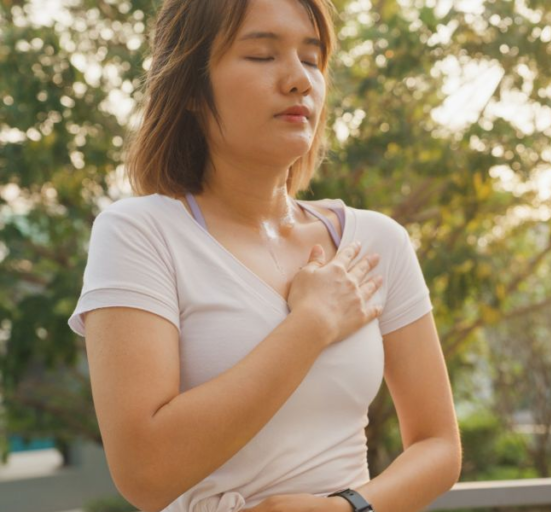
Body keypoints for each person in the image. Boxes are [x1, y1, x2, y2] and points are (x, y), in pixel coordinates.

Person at [67, 1, 460, 511]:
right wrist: (311, 324)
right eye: (261, 55)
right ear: (189, 87)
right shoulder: (140, 234)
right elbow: (145, 474)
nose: (299, 80)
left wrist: (346, 508)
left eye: (312, 58)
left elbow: (439, 445)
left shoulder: (377, 241)